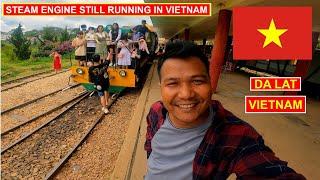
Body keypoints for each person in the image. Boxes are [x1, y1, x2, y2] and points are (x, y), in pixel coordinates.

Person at [144, 40, 305, 179]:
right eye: (173, 83)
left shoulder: (236, 134)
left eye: (198, 81)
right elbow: (151, 146)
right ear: (161, 88)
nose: (186, 94)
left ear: (210, 83)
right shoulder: (156, 111)